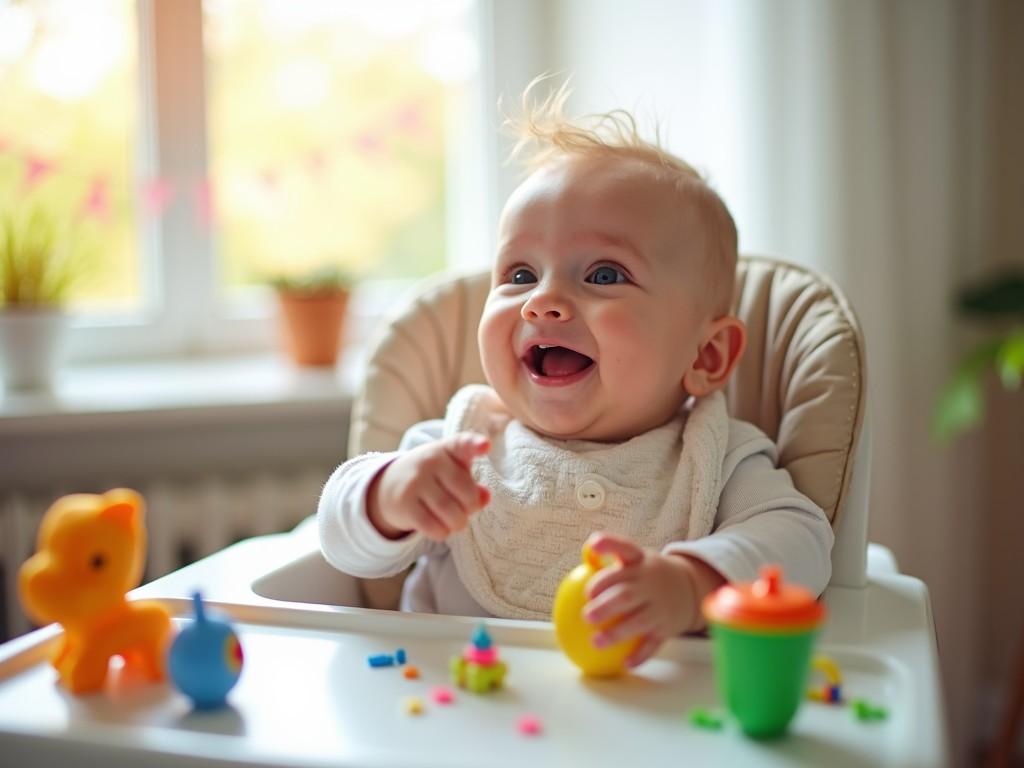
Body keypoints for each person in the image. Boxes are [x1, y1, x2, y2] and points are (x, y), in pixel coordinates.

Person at [318, 84, 833, 668]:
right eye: (519, 272)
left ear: (706, 356)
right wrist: (387, 496)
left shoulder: (716, 458)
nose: (543, 302)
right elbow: (340, 545)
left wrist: (690, 585)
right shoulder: (458, 450)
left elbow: (802, 541)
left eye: (605, 275)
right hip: (454, 715)